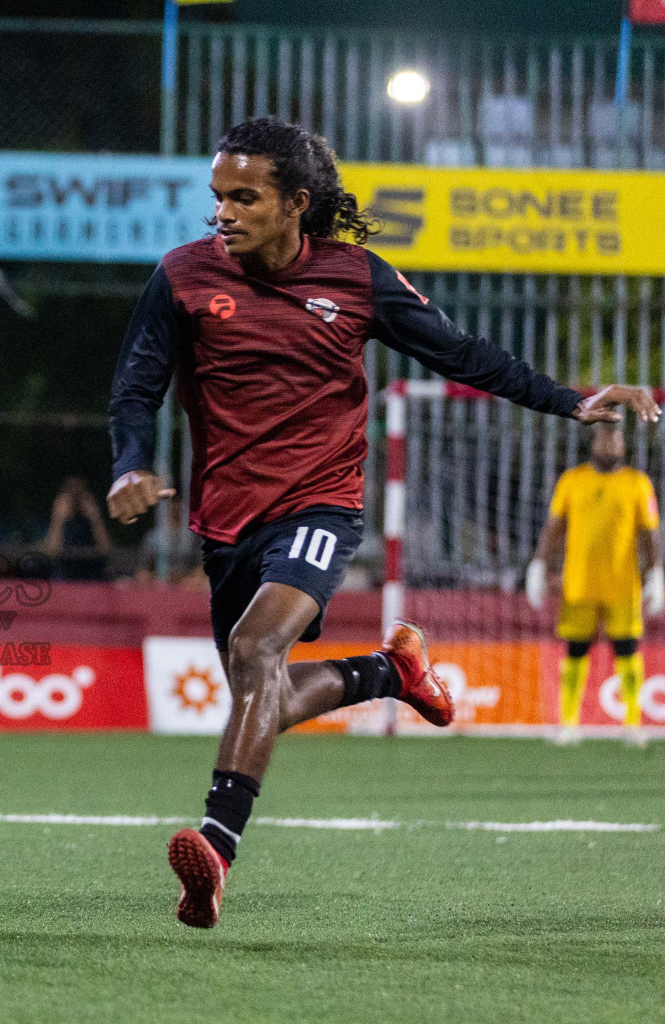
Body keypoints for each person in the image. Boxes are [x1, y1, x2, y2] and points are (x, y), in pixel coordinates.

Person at [105, 116, 658, 930]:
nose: (223, 211)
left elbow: (464, 354)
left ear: (296, 203)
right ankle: (390, 674)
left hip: (322, 503)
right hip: (226, 519)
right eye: (218, 195)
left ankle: (216, 849)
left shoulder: (357, 278)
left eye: (245, 197)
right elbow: (135, 385)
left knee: (258, 652)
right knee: (265, 693)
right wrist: (128, 463)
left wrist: (571, 399)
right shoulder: (182, 277)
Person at [527, 423, 663, 748]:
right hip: (579, 583)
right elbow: (554, 526)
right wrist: (538, 564)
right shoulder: (572, 480)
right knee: (575, 650)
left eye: (615, 438)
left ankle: (632, 724)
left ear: (623, 445)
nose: (610, 444)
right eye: (604, 437)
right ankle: (568, 723)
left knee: (627, 649)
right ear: (594, 443)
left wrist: (656, 572)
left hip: (623, 583)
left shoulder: (637, 483)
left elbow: (649, 533)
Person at [39, 476, 113, 580]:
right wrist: (58, 520)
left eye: (80, 493)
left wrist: (95, 519)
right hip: (64, 581)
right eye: (70, 492)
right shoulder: (58, 522)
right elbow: (52, 551)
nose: (75, 498)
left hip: (93, 581)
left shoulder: (92, 524)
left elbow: (107, 550)